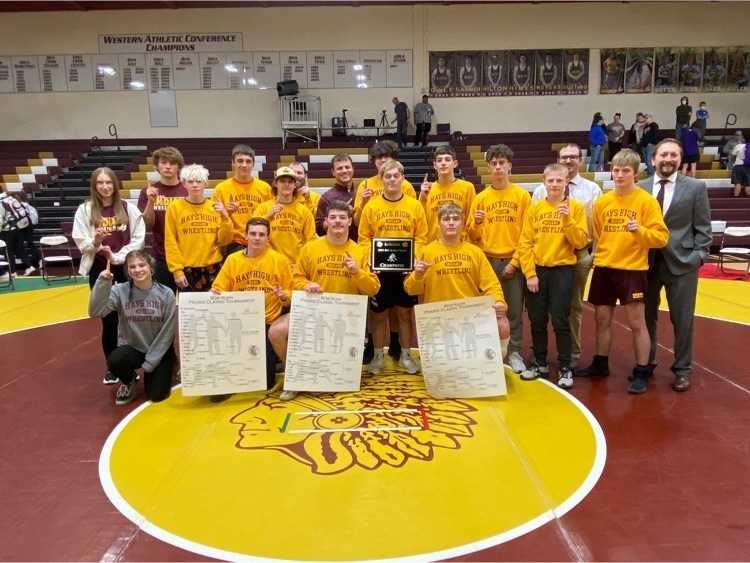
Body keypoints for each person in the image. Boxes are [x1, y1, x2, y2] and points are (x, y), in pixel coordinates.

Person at [575, 149, 669, 395]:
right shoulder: (603, 201)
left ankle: (642, 370)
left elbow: (661, 238)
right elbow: (598, 235)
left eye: (625, 171)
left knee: (637, 322)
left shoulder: (646, 201)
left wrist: (640, 231)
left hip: (632, 269)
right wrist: (598, 258)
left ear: (635, 173)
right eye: (616, 170)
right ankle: (600, 363)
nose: (619, 175)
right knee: (601, 319)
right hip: (605, 267)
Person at [269, 200, 381, 400]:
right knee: (276, 332)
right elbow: (296, 278)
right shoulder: (310, 248)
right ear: (326, 222)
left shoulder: (361, 251)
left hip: (346, 317)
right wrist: (307, 285)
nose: (338, 221)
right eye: (333, 217)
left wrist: (357, 272)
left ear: (349, 222)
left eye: (342, 217)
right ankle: (295, 376)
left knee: (341, 380)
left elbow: (373, 289)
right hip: (313, 312)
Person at [638, 139, 712, 392]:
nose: (668, 159)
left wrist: (698, 257)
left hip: (682, 263)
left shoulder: (695, 187)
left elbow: (704, 229)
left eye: (673, 155)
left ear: (680, 159)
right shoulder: (640, 188)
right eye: (663, 155)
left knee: (682, 320)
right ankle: (646, 363)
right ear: (653, 159)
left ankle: (682, 369)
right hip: (645, 264)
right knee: (645, 318)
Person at [405, 202, 510, 354]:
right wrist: (417, 275)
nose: (451, 223)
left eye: (456, 219)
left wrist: (499, 301)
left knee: (501, 320)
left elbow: (492, 285)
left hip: (469, 315)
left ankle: (495, 360)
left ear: (462, 224)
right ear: (438, 224)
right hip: (438, 317)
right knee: (441, 366)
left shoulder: (475, 252)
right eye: (446, 219)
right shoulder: (426, 252)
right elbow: (411, 290)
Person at [532, 144, 602, 370]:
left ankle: (571, 353)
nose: (568, 160)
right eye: (564, 157)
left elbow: (597, 226)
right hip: (547, 253)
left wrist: (594, 254)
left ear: (580, 160)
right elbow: (532, 227)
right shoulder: (540, 191)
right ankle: (539, 352)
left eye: (573, 157)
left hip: (579, 253)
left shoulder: (592, 190)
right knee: (541, 308)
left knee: (572, 307)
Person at [73, 167, 145, 384]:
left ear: (115, 184)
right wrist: (96, 241)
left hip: (127, 268)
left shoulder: (128, 208)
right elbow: (81, 242)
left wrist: (116, 257)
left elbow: (138, 239)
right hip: (100, 268)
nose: (105, 187)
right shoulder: (85, 210)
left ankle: (133, 361)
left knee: (132, 316)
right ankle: (112, 366)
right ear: (94, 186)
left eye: (108, 182)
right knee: (109, 319)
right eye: (100, 183)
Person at [519, 164, 589, 389]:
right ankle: (539, 363)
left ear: (567, 182)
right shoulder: (535, 209)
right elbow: (525, 244)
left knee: (560, 320)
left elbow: (580, 242)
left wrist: (568, 221)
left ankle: (565, 366)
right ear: (544, 183)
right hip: (538, 271)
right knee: (537, 320)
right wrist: (530, 273)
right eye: (551, 181)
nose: (555, 184)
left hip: (562, 271)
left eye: (559, 180)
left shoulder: (575, 208)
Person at [209, 217, 293, 402]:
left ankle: (273, 360)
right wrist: (214, 293)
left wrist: (283, 295)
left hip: (266, 321)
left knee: (264, 382)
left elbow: (291, 294)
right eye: (253, 233)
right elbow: (219, 288)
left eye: (261, 234)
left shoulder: (279, 260)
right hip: (237, 321)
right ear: (245, 235)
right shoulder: (232, 260)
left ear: (268, 238)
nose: (257, 238)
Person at [358, 160, 427, 375]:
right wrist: (370, 258)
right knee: (379, 315)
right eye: (387, 176)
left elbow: (421, 237)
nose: (392, 180)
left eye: (396, 176)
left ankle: (405, 356)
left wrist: (413, 258)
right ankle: (378, 356)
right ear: (381, 179)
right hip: (380, 271)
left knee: (405, 314)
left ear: (403, 178)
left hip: (406, 271)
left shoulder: (414, 205)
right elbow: (363, 238)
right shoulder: (371, 206)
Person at [467, 144, 531, 374]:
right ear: (488, 167)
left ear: (509, 166)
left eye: (501, 163)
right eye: (493, 163)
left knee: (512, 310)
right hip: (486, 260)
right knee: (484, 310)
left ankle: (513, 352)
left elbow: (528, 234)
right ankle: (485, 352)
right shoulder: (481, 198)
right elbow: (472, 236)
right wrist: (476, 223)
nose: (497, 167)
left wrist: (515, 262)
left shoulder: (522, 196)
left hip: (513, 260)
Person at [88, 250, 176, 406]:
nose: (138, 270)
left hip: (158, 350)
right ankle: (128, 381)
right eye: (132, 267)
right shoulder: (119, 290)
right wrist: (102, 283)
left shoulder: (166, 293)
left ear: (151, 268)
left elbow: (168, 332)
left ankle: (158, 372)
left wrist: (151, 363)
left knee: (156, 395)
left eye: (142, 265)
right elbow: (96, 312)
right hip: (134, 348)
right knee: (114, 360)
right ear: (128, 271)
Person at [164, 164, 232, 291]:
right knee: (190, 304)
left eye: (199, 181)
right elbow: (170, 241)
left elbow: (225, 241)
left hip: (213, 266)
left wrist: (225, 216)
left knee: (215, 304)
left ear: (205, 183)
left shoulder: (215, 207)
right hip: (187, 268)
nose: (195, 185)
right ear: (184, 184)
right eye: (190, 181)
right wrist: (177, 270)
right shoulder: (174, 207)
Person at [137, 146, 187, 291]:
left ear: (179, 167)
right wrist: (151, 202)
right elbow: (146, 226)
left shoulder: (188, 190)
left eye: (172, 163)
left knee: (188, 302)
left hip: (186, 256)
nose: (168, 166)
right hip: (160, 256)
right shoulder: (147, 192)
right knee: (163, 301)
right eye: (164, 162)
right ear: (156, 166)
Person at [211, 144, 274, 255]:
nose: (244, 165)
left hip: (260, 241)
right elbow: (214, 222)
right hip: (234, 243)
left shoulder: (265, 188)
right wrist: (227, 213)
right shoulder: (221, 189)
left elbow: (270, 218)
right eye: (240, 161)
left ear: (253, 164)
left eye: (248, 161)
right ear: (233, 162)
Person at [252, 166, 315, 265]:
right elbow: (252, 232)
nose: (287, 184)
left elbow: (311, 240)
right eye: (282, 181)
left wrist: (301, 262)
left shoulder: (304, 211)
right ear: (275, 183)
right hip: (269, 264)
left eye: (290, 182)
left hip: (295, 265)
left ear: (295, 185)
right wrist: (268, 216)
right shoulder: (263, 208)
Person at [419, 144, 476, 242]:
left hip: (460, 245)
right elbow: (420, 221)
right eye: (439, 160)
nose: (443, 163)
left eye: (447, 159)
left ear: (455, 163)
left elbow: (471, 220)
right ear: (435, 165)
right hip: (433, 245)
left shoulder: (467, 187)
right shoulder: (427, 189)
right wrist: (422, 198)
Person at [353, 140, 416, 228]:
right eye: (379, 157)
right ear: (374, 161)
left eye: (386, 156)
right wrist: (363, 203)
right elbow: (357, 222)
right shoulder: (365, 185)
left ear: (394, 159)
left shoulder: (406, 186)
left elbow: (415, 217)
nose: (383, 160)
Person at [315, 153, 357, 239]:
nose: (344, 171)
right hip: (335, 244)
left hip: (360, 245)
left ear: (353, 169)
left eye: (347, 167)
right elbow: (319, 229)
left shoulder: (360, 193)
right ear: (333, 172)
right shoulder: (326, 198)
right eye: (339, 168)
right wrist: (339, 214)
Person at [730, 130, 750, 197]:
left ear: (744, 138)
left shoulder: (738, 146)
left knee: (737, 183)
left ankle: (736, 198)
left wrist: (733, 162)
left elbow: (732, 157)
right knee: (748, 183)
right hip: (748, 166)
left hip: (738, 166)